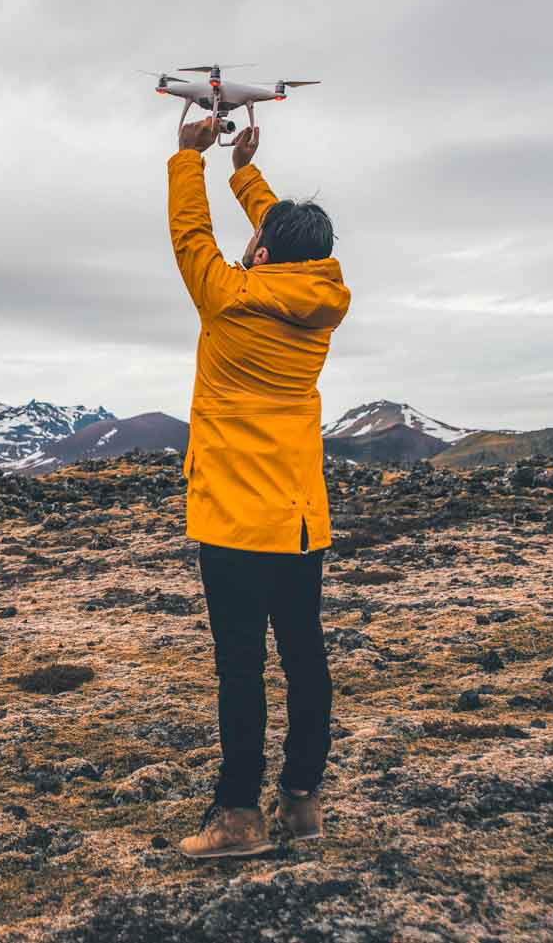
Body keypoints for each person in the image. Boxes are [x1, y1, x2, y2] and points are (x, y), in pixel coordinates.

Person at [166, 118, 351, 859]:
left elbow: (191, 237)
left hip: (235, 525)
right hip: (301, 522)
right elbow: (283, 246)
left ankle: (238, 814)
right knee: (305, 656)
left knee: (240, 668)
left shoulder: (230, 299)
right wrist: (245, 173)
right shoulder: (324, 300)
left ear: (263, 252)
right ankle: (302, 801)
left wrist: (189, 158)